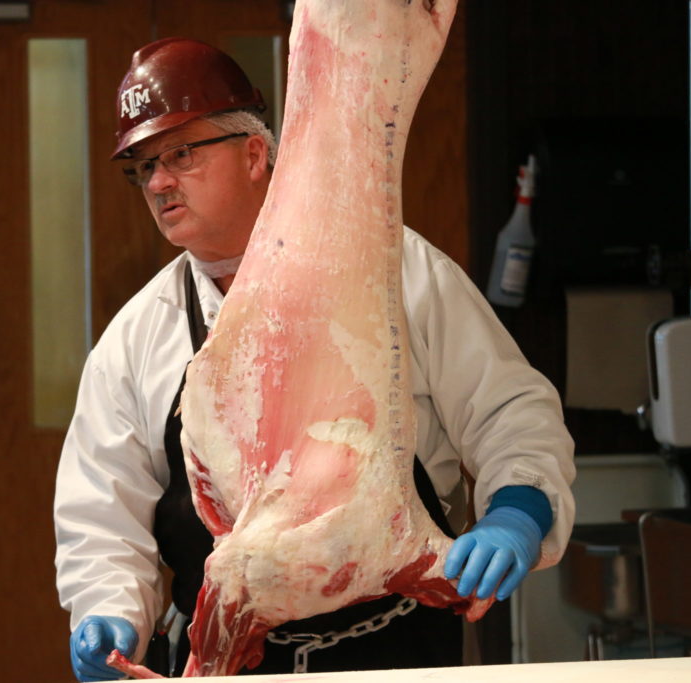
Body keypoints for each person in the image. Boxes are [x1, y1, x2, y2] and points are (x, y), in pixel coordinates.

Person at [54, 37, 575, 682]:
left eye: (179, 154)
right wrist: (107, 611)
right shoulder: (135, 343)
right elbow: (102, 518)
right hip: (229, 663)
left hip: (399, 658)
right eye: (142, 166)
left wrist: (517, 512)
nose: (158, 182)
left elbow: (511, 411)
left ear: (254, 154)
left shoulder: (392, 269)